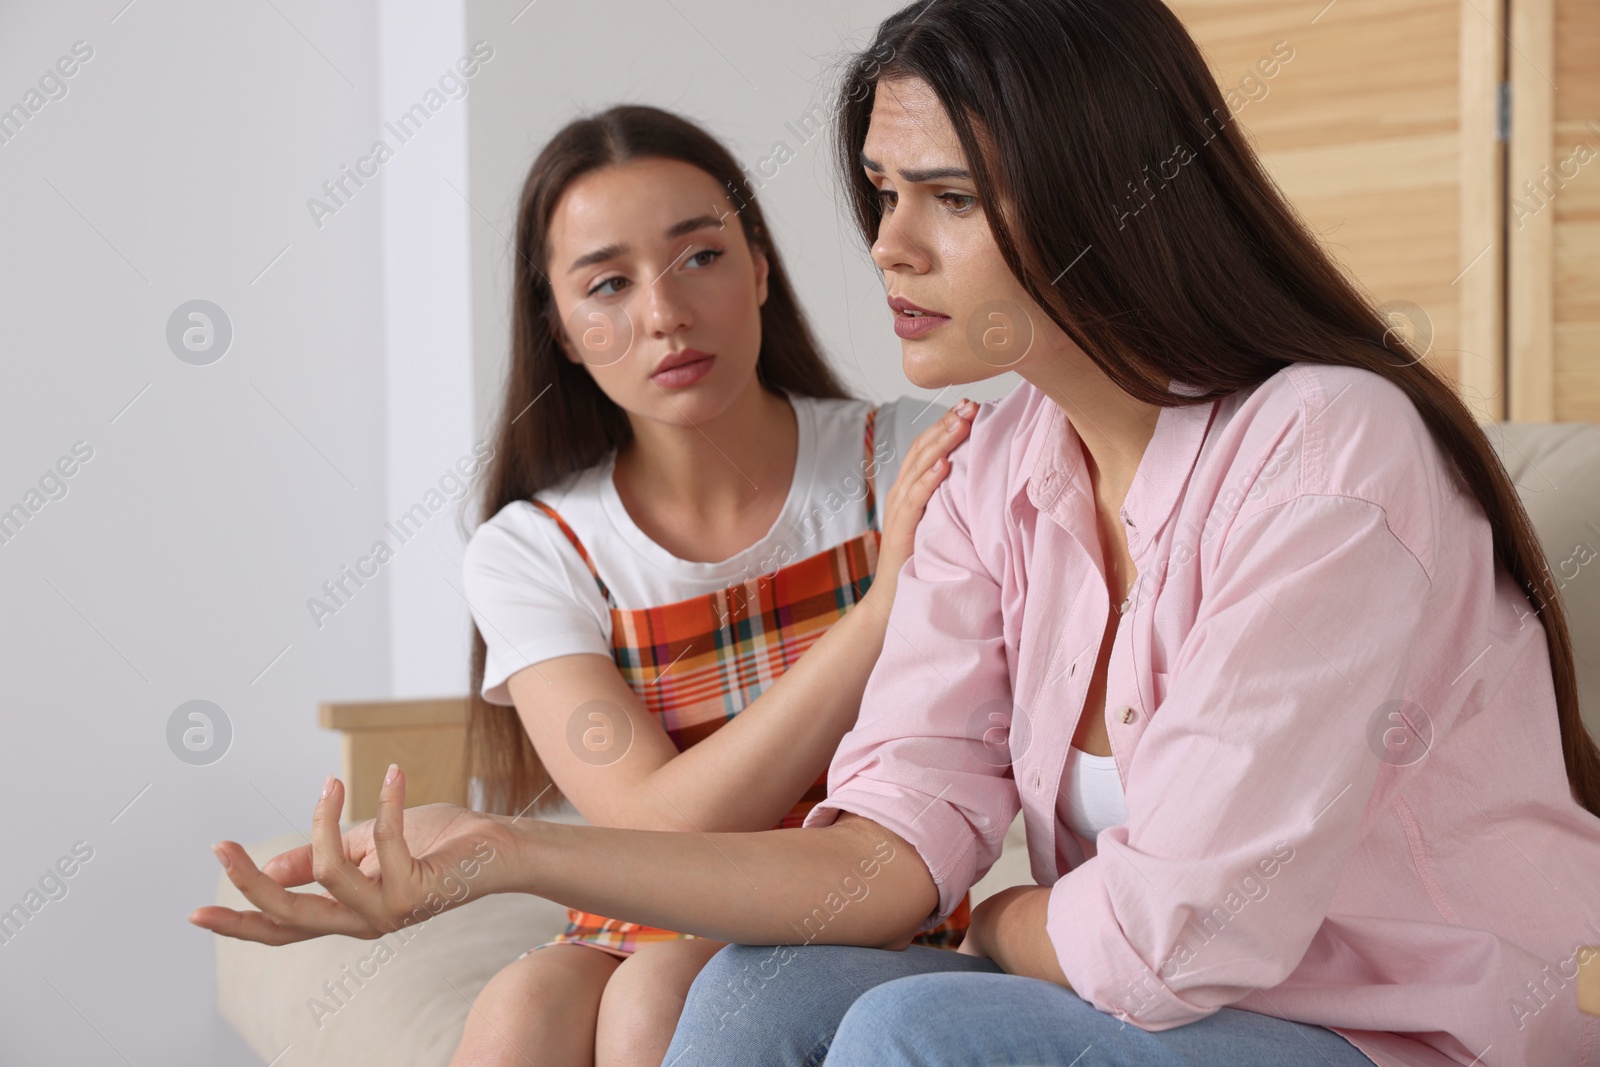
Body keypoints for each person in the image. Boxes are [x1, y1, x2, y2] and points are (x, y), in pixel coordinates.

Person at [190, 1, 1600, 1064]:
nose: (887, 247)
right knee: (747, 990)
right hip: (1155, 1006)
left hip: (1389, 1034)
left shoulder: (1327, 445)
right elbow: (882, 853)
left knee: (917, 1028)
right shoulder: (997, 475)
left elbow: (1178, 934)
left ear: (1107, 195)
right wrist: (494, 850)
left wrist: (987, 923)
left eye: (950, 198)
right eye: (882, 193)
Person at [443, 103, 976, 1066]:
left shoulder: (900, 459)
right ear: (560, 329)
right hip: (648, 907)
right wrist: (877, 616)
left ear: (760, 267)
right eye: (606, 283)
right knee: (522, 1006)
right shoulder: (535, 546)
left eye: (700, 256)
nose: (664, 314)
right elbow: (656, 825)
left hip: (866, 906)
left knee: (658, 994)